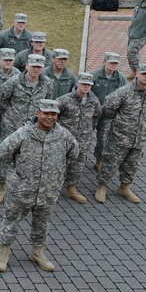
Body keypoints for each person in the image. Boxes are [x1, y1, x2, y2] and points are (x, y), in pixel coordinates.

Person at [0, 99, 80, 273]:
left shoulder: (63, 135)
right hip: (22, 189)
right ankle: (4, 252)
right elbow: (1, 153)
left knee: (42, 223)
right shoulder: (24, 133)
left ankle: (37, 252)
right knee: (11, 221)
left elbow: (73, 154)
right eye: (46, 113)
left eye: (53, 114)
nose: (50, 117)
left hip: (48, 190)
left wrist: (55, 173)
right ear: (38, 113)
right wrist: (18, 171)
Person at [95, 64, 146, 204]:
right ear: (137, 73)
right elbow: (108, 108)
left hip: (140, 138)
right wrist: (122, 123)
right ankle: (102, 187)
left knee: (132, 165)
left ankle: (124, 187)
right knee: (110, 162)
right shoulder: (124, 91)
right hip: (119, 137)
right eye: (144, 73)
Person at [0, 54, 54, 204]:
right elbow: (1, 100)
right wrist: (9, 116)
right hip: (12, 125)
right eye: (33, 66)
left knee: (29, 157)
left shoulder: (48, 83)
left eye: (38, 67)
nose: (35, 69)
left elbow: (47, 103)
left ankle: (23, 186)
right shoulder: (13, 81)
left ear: (43, 68)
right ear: (26, 66)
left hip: (33, 127)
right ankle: (2, 186)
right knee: (7, 156)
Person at [56, 72, 101, 204]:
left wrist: (88, 131)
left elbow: (97, 116)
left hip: (83, 141)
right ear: (78, 83)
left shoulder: (94, 101)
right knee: (57, 165)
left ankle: (71, 189)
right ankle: (49, 190)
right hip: (64, 141)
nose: (86, 87)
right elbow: (52, 117)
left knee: (77, 166)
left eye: (89, 85)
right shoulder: (64, 100)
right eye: (84, 84)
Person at [90, 52, 128, 170]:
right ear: (104, 62)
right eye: (111, 62)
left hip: (108, 115)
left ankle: (99, 160)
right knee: (84, 137)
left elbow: (124, 95)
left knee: (103, 139)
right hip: (91, 113)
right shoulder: (93, 76)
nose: (113, 65)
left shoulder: (121, 79)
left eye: (115, 63)